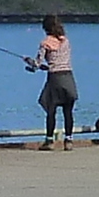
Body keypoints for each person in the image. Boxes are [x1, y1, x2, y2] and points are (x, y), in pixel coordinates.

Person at [24, 18, 77, 146]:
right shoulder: (66, 41)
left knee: (51, 110)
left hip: (55, 79)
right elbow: (60, 61)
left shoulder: (45, 43)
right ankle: (68, 140)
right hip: (68, 77)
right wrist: (47, 66)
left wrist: (29, 62)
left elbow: (37, 64)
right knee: (68, 111)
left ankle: (49, 141)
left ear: (45, 28)